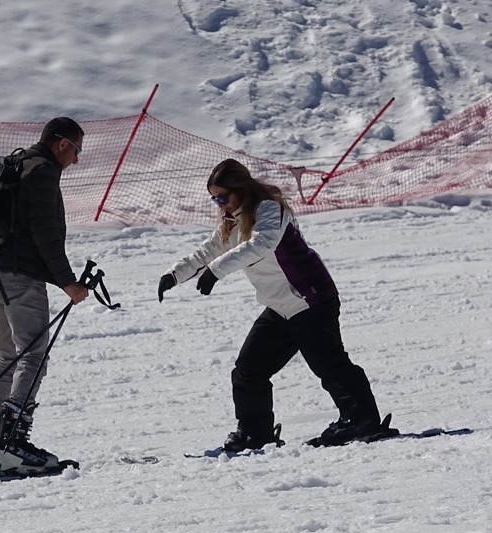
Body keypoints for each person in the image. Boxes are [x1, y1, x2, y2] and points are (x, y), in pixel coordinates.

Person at [158, 159, 385, 451]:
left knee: (330, 364)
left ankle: (361, 421)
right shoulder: (233, 219)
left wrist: (217, 271)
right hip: (280, 308)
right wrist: (174, 274)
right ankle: (256, 433)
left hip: (310, 299)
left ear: (240, 189)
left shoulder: (268, 210)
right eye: (215, 199)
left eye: (223, 197)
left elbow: (261, 244)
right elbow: (209, 250)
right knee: (248, 370)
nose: (220, 204)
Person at [0, 117, 89, 475]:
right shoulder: (43, 171)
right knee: (33, 355)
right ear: (62, 143)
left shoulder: (16, 164)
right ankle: (13, 444)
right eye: (76, 150)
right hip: (17, 275)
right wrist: (68, 283)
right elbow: (45, 233)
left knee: (7, 356)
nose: (76, 160)